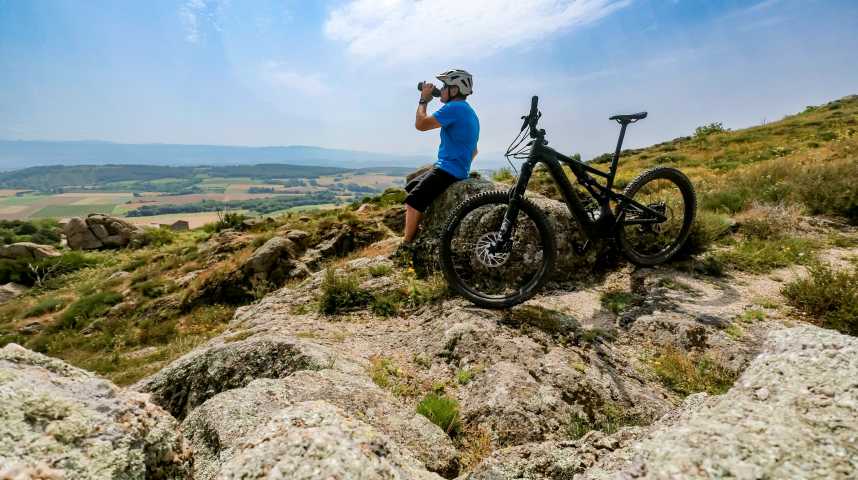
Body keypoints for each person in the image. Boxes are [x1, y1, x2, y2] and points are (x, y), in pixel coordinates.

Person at [403, 69, 480, 248]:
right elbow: (474, 150)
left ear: (454, 90)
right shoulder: (469, 111)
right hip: (454, 168)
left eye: (445, 86)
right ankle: (417, 228)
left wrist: (424, 99)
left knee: (413, 201)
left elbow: (420, 124)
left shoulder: (454, 107)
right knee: (412, 186)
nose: (442, 89)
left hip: (448, 169)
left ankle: (406, 246)